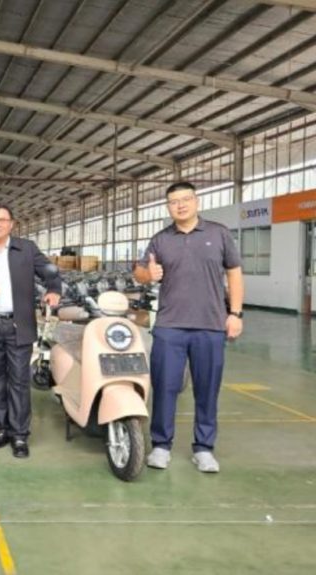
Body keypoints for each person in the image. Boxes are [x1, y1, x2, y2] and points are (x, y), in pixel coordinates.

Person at [134, 181, 243, 474]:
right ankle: (161, 445)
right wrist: (148, 273)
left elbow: (234, 273)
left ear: (196, 201)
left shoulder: (218, 233)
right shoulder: (160, 239)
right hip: (170, 326)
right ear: (168, 207)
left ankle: (204, 449)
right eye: (174, 201)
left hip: (211, 325)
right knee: (164, 387)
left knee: (207, 390)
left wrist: (235, 313)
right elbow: (139, 272)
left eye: (185, 199)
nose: (180, 205)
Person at [0, 204, 62, 458]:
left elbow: (49, 271)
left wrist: (54, 290)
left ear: (11, 224)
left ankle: (19, 435)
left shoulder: (26, 248)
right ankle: (1, 430)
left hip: (19, 324)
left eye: (2, 219)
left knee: (19, 380)